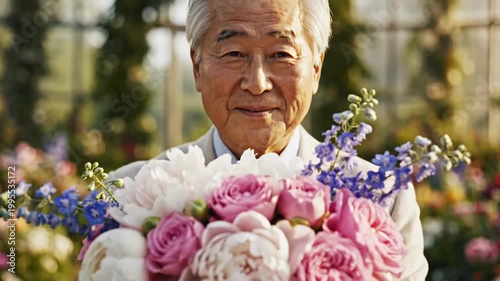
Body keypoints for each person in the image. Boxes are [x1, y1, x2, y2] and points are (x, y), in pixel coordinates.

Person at [110, 0, 428, 279]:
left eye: (281, 54)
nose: (258, 83)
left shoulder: (382, 201)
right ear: (197, 67)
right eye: (234, 53)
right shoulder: (130, 195)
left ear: (315, 69)